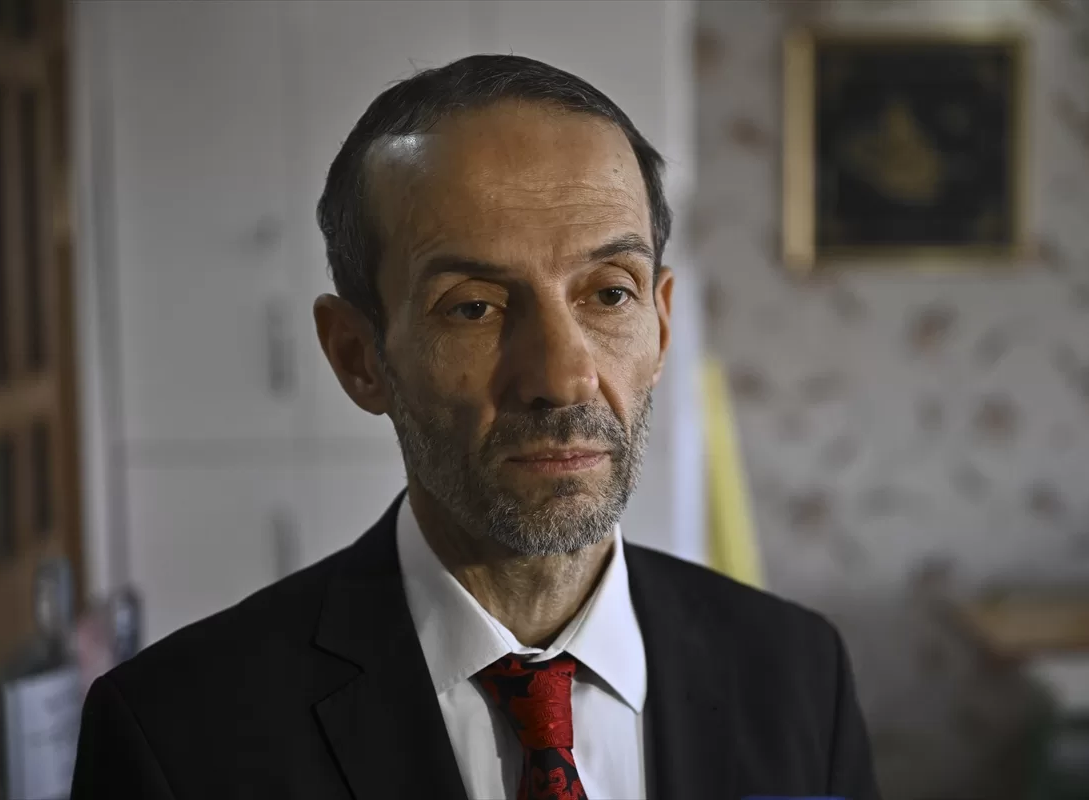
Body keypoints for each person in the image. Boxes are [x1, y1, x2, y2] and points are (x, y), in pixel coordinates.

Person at [70, 54, 880, 800]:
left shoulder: (800, 676)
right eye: (473, 308)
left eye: (609, 293)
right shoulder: (176, 737)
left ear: (662, 328)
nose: (561, 377)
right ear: (358, 356)